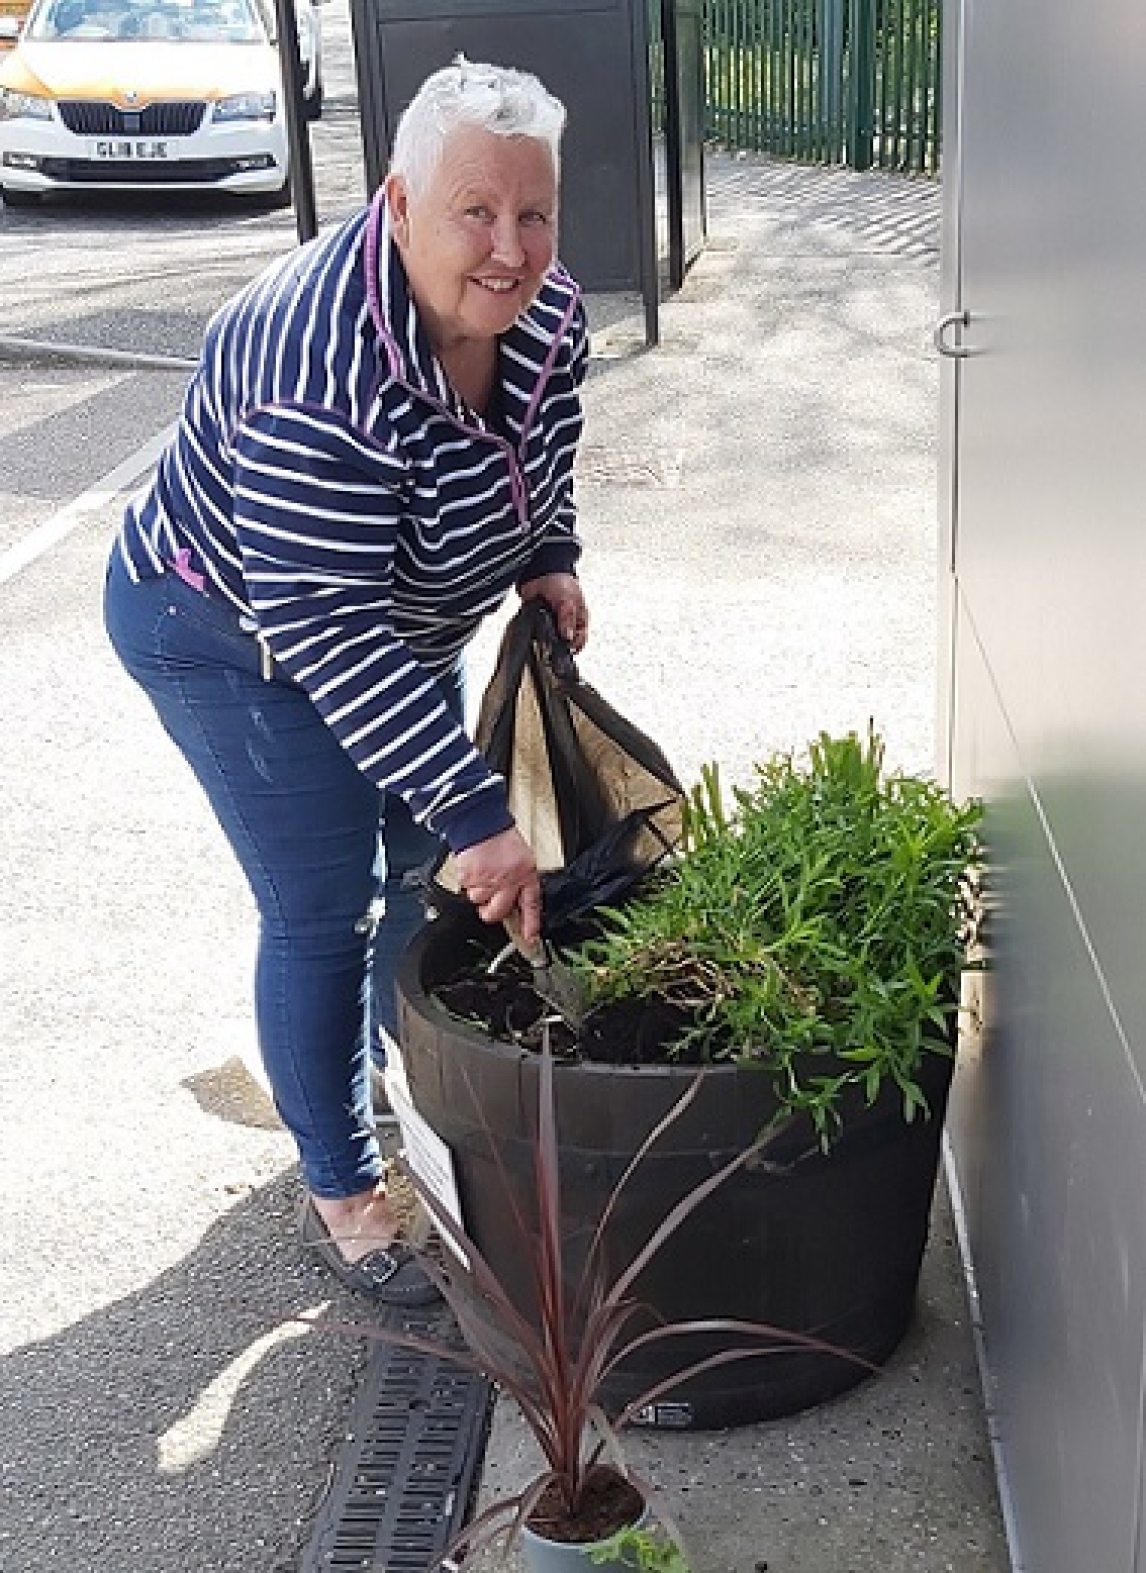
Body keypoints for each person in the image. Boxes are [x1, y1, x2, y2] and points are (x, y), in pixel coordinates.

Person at [103, 57, 590, 1306]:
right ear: (398, 201)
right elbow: (327, 629)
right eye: (476, 211)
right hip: (228, 633)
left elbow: (545, 446)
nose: (510, 246)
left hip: (386, 630)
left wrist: (547, 555)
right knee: (326, 906)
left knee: (408, 867)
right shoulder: (316, 374)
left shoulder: (546, 311)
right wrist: (480, 814)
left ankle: (397, 1079)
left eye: (533, 212)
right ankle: (344, 1186)